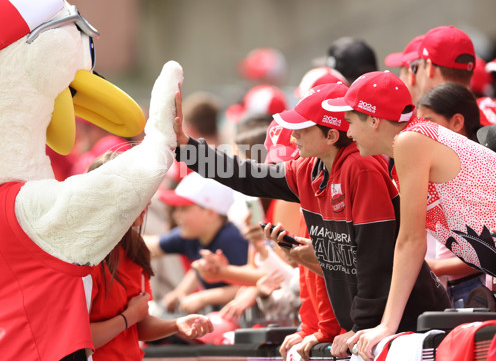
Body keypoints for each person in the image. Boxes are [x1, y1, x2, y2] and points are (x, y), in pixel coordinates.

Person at [173, 83, 450, 360]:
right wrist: (187, 147)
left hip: (408, 323)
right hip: (371, 329)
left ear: (331, 135)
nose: (293, 136)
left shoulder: (361, 168)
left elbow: (374, 259)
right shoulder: (308, 168)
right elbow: (247, 175)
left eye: (301, 128)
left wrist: (360, 326)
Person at [322, 70, 496, 359]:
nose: (348, 133)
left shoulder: (410, 141)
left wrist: (386, 325)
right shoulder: (410, 143)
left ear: (374, 120)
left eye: (350, 122)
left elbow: (411, 241)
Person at [86, 152, 213, 360]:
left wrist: (176, 324)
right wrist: (128, 317)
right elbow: (79, 338)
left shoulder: (135, 247)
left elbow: (140, 325)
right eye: (140, 192)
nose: (150, 202)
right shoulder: (83, 256)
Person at [416, 83, 486, 307]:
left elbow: (488, 251)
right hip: (452, 289)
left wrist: (435, 267)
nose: (419, 133)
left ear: (457, 122)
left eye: (428, 122)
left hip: (474, 289)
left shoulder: (476, 172)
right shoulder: (442, 169)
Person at [144, 172, 249, 314]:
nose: (176, 215)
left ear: (210, 214)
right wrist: (181, 291)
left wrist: (203, 298)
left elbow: (249, 284)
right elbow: (151, 246)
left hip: (243, 316)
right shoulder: (193, 233)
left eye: (184, 209)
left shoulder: (231, 239)